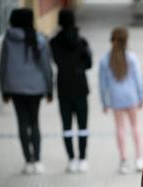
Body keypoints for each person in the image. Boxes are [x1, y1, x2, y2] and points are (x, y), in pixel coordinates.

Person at [0, 8, 53, 175]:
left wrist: (4, 89)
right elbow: (46, 67)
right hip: (36, 88)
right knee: (34, 122)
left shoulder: (8, 40)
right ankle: (37, 159)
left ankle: (28, 161)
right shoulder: (39, 39)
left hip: (14, 88)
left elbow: (3, 66)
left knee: (22, 123)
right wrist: (50, 88)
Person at [50, 9, 92, 173]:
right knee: (83, 126)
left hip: (63, 88)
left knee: (67, 127)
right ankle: (83, 159)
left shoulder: (53, 42)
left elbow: (56, 61)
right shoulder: (82, 41)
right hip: (80, 87)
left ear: (60, 21)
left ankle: (71, 159)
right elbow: (89, 64)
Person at [99, 27, 143, 174]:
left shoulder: (104, 60)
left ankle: (123, 161)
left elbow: (102, 84)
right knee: (135, 127)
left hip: (115, 98)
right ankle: (138, 159)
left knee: (120, 128)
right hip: (131, 97)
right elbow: (138, 79)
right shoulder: (131, 57)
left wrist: (104, 102)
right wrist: (141, 96)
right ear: (126, 40)